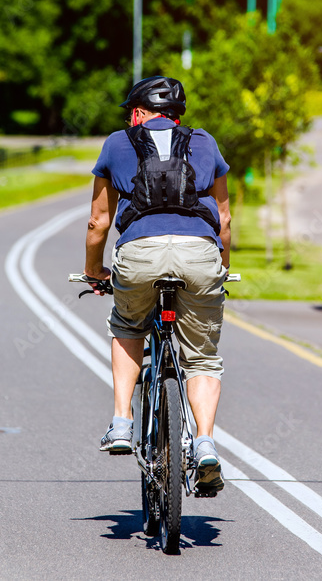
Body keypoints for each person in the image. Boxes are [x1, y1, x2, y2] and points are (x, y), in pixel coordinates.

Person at [83, 76, 232, 495]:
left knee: (129, 327)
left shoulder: (118, 142)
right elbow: (223, 220)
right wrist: (221, 267)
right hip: (199, 254)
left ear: (138, 112)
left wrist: (95, 270)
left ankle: (121, 423)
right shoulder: (206, 142)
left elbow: (98, 222)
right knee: (201, 358)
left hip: (139, 254)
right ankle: (204, 443)